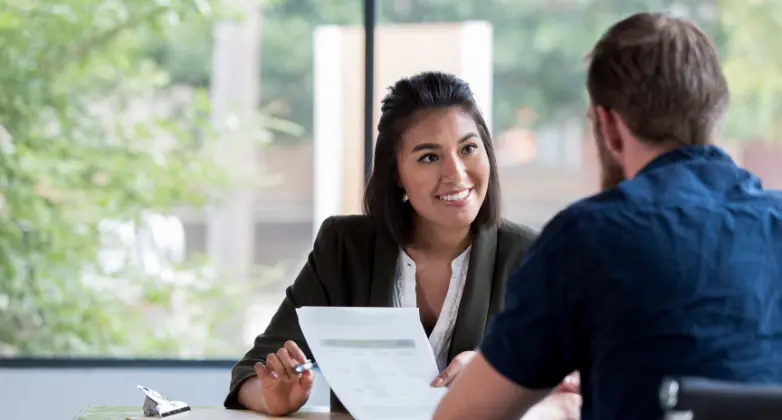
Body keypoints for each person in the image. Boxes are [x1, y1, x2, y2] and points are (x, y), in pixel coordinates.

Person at [434, 12, 782, 420]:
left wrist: (559, 403)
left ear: (610, 126)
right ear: (717, 110)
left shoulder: (588, 237)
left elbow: (460, 416)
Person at [223, 71, 580, 417]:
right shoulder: (345, 248)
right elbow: (251, 372)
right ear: (395, 173)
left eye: (468, 148)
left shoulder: (530, 255)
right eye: (429, 157)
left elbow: (576, 383)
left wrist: (494, 372)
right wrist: (272, 397)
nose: (456, 173)